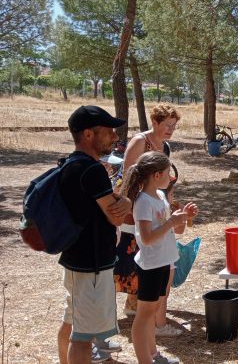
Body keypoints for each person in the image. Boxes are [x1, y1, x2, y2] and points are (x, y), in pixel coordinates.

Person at [57, 106, 132, 364]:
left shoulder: (69, 165)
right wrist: (126, 203)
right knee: (83, 337)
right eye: (109, 131)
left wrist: (121, 201)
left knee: (72, 322)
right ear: (88, 134)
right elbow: (115, 216)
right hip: (91, 265)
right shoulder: (93, 170)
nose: (114, 137)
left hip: (75, 260)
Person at [121, 151, 198, 364]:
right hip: (151, 265)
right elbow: (146, 238)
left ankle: (153, 354)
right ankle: (144, 360)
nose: (170, 178)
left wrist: (184, 217)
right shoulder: (144, 201)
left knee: (153, 312)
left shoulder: (161, 196)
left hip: (165, 261)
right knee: (144, 316)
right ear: (156, 175)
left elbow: (172, 228)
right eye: (167, 173)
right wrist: (171, 222)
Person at [116, 104, 182, 338]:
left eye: (174, 126)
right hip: (137, 208)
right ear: (154, 122)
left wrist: (167, 202)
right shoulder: (139, 141)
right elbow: (129, 177)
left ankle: (139, 306)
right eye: (167, 125)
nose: (171, 130)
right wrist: (138, 208)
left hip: (155, 206)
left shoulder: (165, 146)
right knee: (136, 258)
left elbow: (163, 179)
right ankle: (141, 310)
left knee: (148, 258)